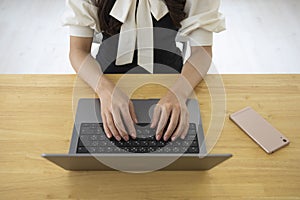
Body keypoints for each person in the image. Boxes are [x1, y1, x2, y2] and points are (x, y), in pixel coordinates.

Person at [62, 0, 225, 142]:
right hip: (103, 79)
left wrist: (179, 93)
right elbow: (78, 50)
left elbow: (201, 52)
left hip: (172, 82)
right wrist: (104, 90)